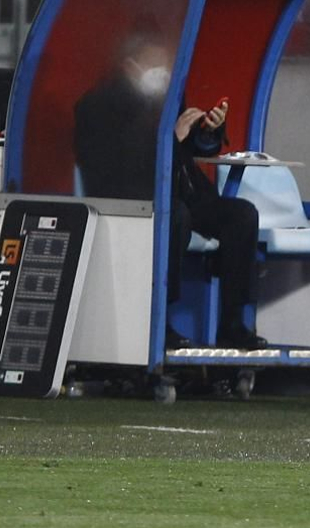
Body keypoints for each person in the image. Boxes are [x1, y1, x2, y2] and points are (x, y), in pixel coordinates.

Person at [73, 39, 263, 349]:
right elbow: (116, 164)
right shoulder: (97, 105)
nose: (164, 73)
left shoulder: (167, 99)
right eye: (155, 66)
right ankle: (159, 320)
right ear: (129, 65)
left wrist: (207, 133)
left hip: (180, 190)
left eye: (167, 66)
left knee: (241, 214)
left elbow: (188, 151)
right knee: (174, 216)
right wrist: (169, 139)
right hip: (131, 195)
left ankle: (232, 322)